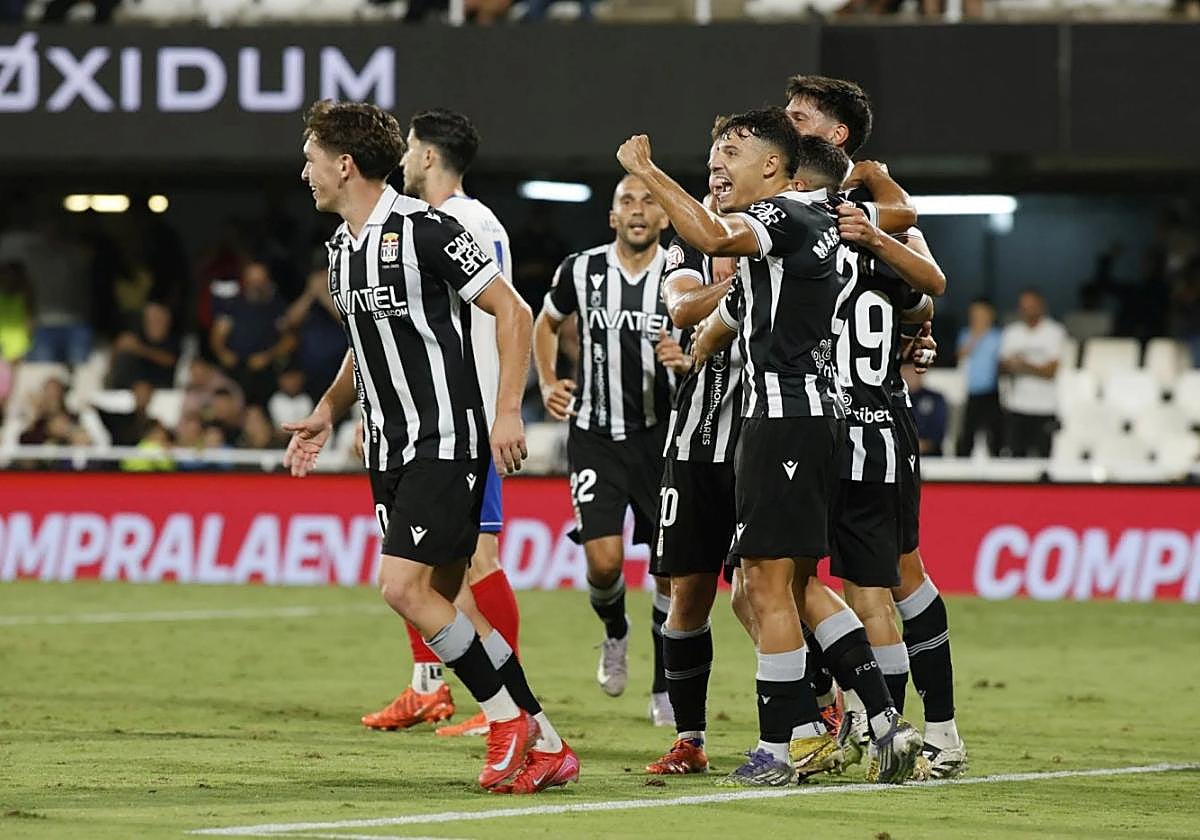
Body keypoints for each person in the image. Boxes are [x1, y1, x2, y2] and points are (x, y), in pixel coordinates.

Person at [620, 111, 922, 787]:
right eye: (715, 149)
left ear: (774, 167)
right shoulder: (809, 228)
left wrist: (646, 171)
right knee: (799, 582)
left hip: (784, 422)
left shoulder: (783, 218)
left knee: (763, 583)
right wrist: (694, 348)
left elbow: (705, 232)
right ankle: (883, 722)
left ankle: (779, 749)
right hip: (808, 419)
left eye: (733, 150)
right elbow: (723, 315)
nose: (720, 162)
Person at [284, 99, 574, 794]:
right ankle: (549, 744)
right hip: (387, 450)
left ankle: (505, 722)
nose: (305, 173)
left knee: (402, 587)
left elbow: (514, 309)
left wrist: (508, 411)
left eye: (313, 159)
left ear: (345, 164)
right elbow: (365, 348)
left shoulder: (426, 229)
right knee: (458, 607)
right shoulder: (341, 250)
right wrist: (326, 410)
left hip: (443, 438)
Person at [783, 75, 967, 779]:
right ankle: (853, 721)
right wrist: (910, 331)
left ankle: (926, 729)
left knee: (889, 579)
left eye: (799, 116)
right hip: (812, 422)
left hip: (866, 419)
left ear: (835, 138)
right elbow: (921, 304)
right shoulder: (792, 208)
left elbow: (928, 286)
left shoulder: (875, 216)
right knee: (804, 575)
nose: (785, 121)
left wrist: (911, 332)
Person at [359, 108, 539, 749]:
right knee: (428, 569)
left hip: (462, 420)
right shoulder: (439, 224)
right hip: (425, 419)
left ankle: (513, 706)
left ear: (429, 156)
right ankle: (437, 683)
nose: (405, 160)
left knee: (470, 561)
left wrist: (503, 409)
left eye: (411, 148)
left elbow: (500, 313)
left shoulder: (455, 223)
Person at [532, 174, 687, 727]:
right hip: (594, 434)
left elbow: (710, 335)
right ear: (612, 216)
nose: (639, 209)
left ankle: (665, 684)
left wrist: (687, 359)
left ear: (666, 217)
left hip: (659, 438)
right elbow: (545, 322)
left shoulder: (681, 272)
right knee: (603, 562)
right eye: (627, 201)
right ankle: (615, 633)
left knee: (670, 571)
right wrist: (548, 379)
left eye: (650, 201)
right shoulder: (582, 269)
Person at [645, 160, 744, 775]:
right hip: (690, 447)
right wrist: (737, 290)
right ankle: (690, 738)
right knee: (688, 594)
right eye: (710, 176)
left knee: (769, 593)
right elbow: (682, 310)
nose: (715, 184)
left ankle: (822, 715)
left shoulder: (783, 235)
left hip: (760, 445)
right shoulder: (686, 246)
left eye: (726, 172)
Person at [210, 261, 296, 407]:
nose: (256, 285)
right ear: (245, 281)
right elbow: (217, 335)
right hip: (235, 368)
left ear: (267, 280)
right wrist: (223, 352)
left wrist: (268, 356)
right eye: (252, 280)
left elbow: (290, 340)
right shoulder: (233, 305)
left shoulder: (276, 306)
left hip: (266, 370)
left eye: (260, 280)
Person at [1000, 289, 1066, 458]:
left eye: (1031, 305)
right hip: (1017, 406)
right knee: (1016, 458)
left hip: (1044, 407)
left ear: (1041, 306)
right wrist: (1033, 367)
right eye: (1023, 306)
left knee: (1043, 458)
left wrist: (1023, 365)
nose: (1027, 309)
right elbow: (1003, 367)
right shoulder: (1011, 333)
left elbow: (1051, 371)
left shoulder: (1054, 332)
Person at [955, 298, 1003, 457]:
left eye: (981, 314)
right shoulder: (966, 334)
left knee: (995, 435)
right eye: (974, 314)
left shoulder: (998, 336)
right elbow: (961, 354)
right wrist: (976, 336)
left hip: (992, 392)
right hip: (972, 392)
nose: (977, 317)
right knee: (967, 435)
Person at [108, 302, 180, 389]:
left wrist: (138, 348)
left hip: (162, 389)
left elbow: (170, 360)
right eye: (150, 320)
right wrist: (117, 347)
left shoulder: (174, 340)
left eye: (158, 320)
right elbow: (112, 365)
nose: (154, 323)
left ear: (167, 322)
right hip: (129, 389)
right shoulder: (137, 336)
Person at [903, 366, 948, 456]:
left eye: (913, 371)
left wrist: (924, 444)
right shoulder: (892, 399)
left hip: (931, 455)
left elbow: (939, 429)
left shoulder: (935, 398)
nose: (909, 375)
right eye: (906, 371)